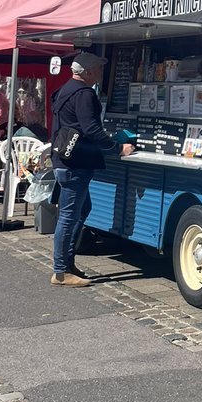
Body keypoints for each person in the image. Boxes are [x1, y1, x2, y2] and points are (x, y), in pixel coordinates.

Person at [49, 52, 134, 287]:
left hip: (64, 160)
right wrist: (117, 148)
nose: (100, 72)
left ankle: (67, 263)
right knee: (68, 216)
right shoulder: (85, 94)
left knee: (82, 209)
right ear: (87, 72)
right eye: (98, 68)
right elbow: (92, 130)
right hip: (76, 163)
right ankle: (60, 272)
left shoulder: (65, 89)